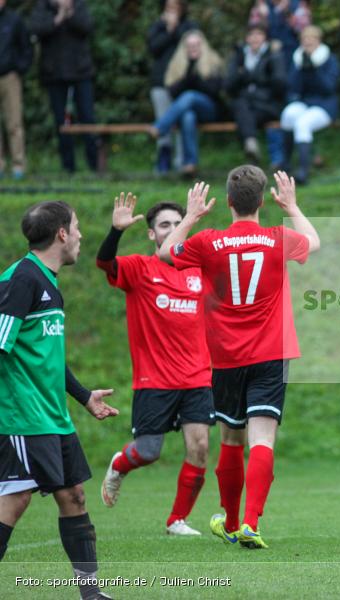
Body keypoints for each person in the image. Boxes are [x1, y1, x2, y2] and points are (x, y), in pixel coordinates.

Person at [159, 167, 320, 549]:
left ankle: (231, 522)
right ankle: (250, 523)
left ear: (228, 202)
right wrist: (293, 206)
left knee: (231, 438)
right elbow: (313, 241)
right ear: (262, 201)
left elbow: (165, 253)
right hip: (271, 353)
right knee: (262, 439)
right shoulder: (277, 238)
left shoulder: (207, 241)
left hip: (227, 356)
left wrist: (193, 216)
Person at [0, 201, 118, 600]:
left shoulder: (48, 282)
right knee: (14, 499)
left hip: (54, 418)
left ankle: (91, 594)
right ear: (62, 234)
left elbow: (45, 356)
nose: (82, 235)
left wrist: (84, 397)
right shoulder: (22, 280)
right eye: (78, 227)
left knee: (74, 496)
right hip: (24, 418)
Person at [94, 194, 214, 536]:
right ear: (152, 234)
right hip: (154, 379)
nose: (173, 229)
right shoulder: (139, 268)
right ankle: (119, 465)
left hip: (197, 376)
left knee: (200, 446)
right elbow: (104, 263)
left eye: (179, 224)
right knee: (148, 452)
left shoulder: (199, 270)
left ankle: (177, 520)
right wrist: (115, 232)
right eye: (165, 225)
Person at [28, 0, 98, 173]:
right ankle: (68, 167)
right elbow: (36, 30)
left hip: (81, 73)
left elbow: (88, 27)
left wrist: (70, 13)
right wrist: (57, 19)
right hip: (55, 75)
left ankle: (94, 165)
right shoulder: (43, 7)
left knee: (88, 118)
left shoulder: (79, 5)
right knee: (62, 122)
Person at [150, 30, 225, 177]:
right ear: (184, 47)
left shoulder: (213, 62)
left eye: (197, 44)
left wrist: (195, 77)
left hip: (210, 110)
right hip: (187, 112)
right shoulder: (177, 65)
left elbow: (214, 91)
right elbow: (172, 93)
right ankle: (190, 164)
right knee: (188, 116)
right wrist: (188, 73)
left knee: (189, 96)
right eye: (189, 45)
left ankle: (160, 127)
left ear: (203, 45)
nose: (193, 48)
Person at [279, 25, 340, 184]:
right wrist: (300, 69)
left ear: (319, 40)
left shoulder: (329, 59)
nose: (308, 41)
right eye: (305, 38)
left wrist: (314, 69)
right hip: (305, 103)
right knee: (288, 114)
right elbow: (293, 87)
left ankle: (303, 171)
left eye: (311, 38)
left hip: (325, 105)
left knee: (302, 123)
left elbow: (328, 88)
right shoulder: (297, 58)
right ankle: (285, 165)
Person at [225, 23, 287, 165]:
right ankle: (251, 145)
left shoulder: (274, 56)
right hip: (247, 107)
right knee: (242, 107)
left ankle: (250, 144)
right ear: (246, 38)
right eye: (251, 35)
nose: (255, 38)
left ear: (265, 38)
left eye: (258, 34)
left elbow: (280, 85)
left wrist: (250, 76)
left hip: (267, 105)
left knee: (243, 110)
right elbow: (228, 86)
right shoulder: (239, 56)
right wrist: (241, 76)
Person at [147, 0, 198, 174]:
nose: (172, 11)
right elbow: (153, 48)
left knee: (182, 120)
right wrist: (169, 29)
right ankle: (164, 156)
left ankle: (182, 162)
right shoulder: (158, 26)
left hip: (182, 82)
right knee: (164, 117)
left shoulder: (190, 26)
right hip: (161, 82)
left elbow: (192, 47)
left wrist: (176, 28)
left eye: (176, 7)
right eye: (169, 7)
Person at [0, 0, 32, 180]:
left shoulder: (14, 20)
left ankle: (18, 166)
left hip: (9, 77)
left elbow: (26, 48)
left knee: (14, 123)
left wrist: (19, 68)